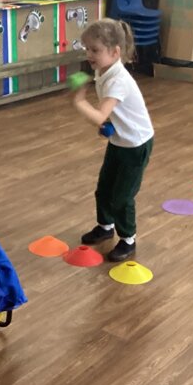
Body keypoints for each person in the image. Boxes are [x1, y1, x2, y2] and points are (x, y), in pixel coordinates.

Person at [73, 19, 154, 262]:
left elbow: (99, 114)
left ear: (115, 52)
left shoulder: (118, 80)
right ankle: (105, 226)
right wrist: (109, 125)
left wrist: (79, 101)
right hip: (119, 140)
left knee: (122, 197)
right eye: (87, 48)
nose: (89, 54)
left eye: (95, 50)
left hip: (136, 145)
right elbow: (110, 115)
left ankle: (128, 239)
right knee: (104, 188)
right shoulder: (103, 70)